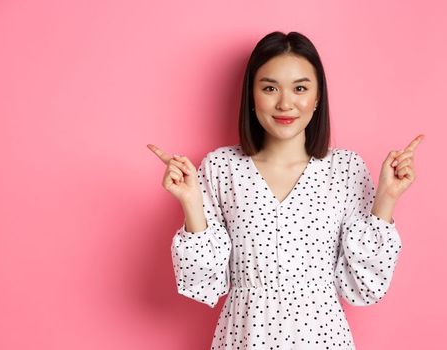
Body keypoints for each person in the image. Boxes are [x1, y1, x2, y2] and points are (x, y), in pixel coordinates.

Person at [148, 31, 422, 349]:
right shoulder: (221, 167)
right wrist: (191, 202)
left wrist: (386, 199)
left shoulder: (346, 169)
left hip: (322, 338)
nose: (285, 103)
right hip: (245, 338)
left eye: (300, 88)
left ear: (318, 97)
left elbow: (364, 286)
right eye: (269, 88)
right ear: (252, 95)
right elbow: (203, 283)